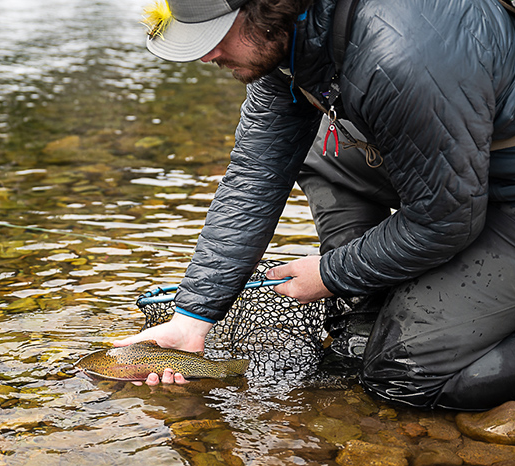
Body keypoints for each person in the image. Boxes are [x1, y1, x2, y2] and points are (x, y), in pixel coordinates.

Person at [116, 0, 515, 411]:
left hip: (495, 194)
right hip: (460, 170)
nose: (207, 54)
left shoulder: (399, 55)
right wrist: (192, 318)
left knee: (401, 376)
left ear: (266, 10)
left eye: (217, 35)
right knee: (318, 150)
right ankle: (370, 304)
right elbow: (255, 174)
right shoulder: (291, 41)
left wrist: (331, 272)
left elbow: (445, 220)